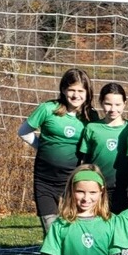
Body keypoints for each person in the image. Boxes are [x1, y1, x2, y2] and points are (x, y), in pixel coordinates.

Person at [18, 68, 97, 235]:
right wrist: (44, 146)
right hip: (44, 180)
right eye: (71, 90)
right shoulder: (48, 109)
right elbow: (23, 132)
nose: (76, 95)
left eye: (80, 91)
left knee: (72, 230)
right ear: (63, 90)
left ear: (87, 92)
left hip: (72, 182)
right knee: (51, 230)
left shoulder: (91, 117)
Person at [79, 83, 128, 214]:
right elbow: (84, 160)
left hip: (122, 188)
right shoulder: (92, 128)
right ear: (101, 103)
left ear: (124, 103)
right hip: (96, 186)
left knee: (118, 227)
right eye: (108, 104)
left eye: (118, 105)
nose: (113, 109)